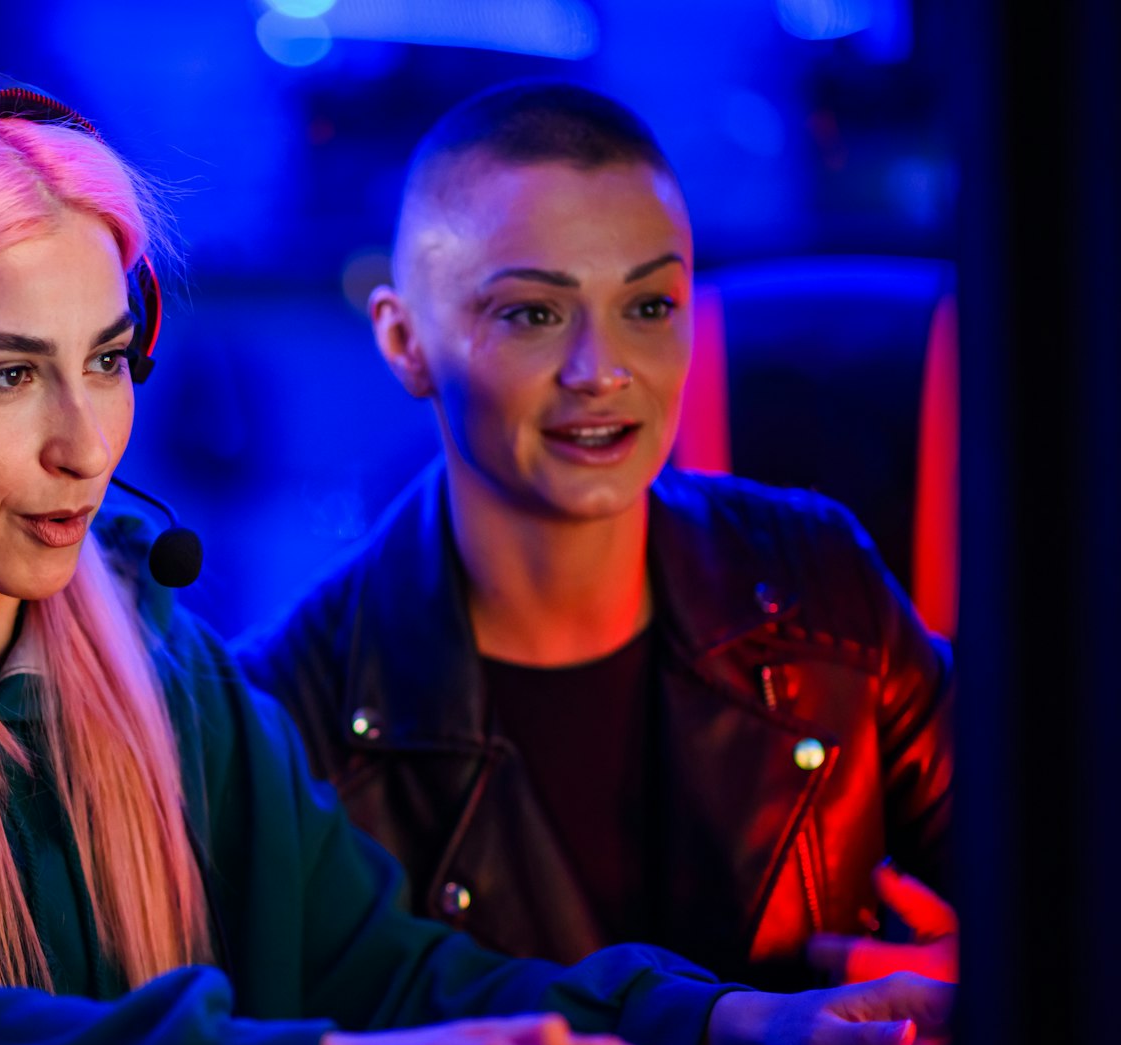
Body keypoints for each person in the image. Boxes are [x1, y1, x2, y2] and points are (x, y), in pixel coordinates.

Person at [0, 64, 953, 1045]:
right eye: (6, 376)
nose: (84, 445)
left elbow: (383, 969)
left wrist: (724, 1023)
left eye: (106, 361)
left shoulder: (145, 647)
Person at [236, 82, 956, 992]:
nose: (602, 371)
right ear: (405, 341)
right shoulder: (283, 712)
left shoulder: (819, 586)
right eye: (533, 313)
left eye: (649, 306)